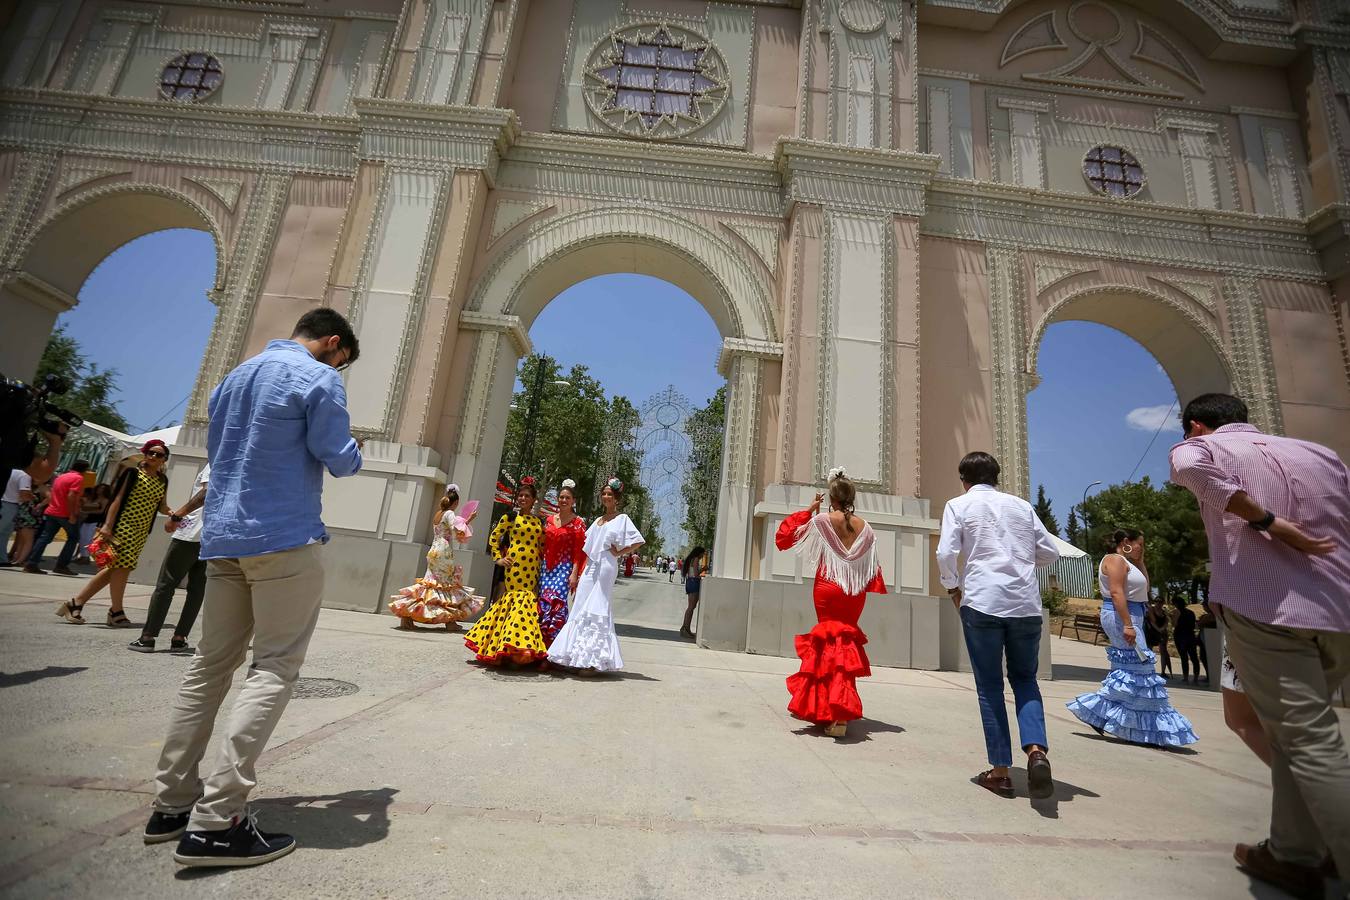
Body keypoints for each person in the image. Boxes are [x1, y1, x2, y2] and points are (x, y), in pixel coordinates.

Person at [144, 308, 363, 868]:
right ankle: (218, 821)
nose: (340, 367)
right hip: (283, 538)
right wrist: (354, 444)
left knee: (209, 666)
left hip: (223, 538)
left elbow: (221, 455)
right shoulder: (319, 378)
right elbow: (340, 460)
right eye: (342, 359)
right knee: (273, 668)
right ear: (332, 342)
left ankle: (171, 803)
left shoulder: (235, 377)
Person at [1169, 392, 1349, 896]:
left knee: (1313, 744)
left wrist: (1267, 521)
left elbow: (1191, 467)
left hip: (1269, 609)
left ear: (1196, 425)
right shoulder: (1320, 454)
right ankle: (1292, 854)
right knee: (1294, 734)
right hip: (1340, 611)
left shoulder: (1201, 448)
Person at [936, 451, 1059, 800]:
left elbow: (946, 553)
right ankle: (1036, 751)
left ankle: (1001, 772)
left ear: (964, 479)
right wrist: (1018, 559)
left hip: (982, 602)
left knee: (990, 687)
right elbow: (1050, 552)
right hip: (1025, 605)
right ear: (996, 478)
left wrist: (952, 587)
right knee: (1025, 680)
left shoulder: (958, 505)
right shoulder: (1022, 507)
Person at [776, 470, 885, 738]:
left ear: (831, 498)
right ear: (851, 498)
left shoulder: (823, 521)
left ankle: (837, 714)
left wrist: (809, 510)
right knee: (844, 644)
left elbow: (786, 537)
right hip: (854, 591)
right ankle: (833, 708)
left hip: (828, 586)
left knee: (828, 645)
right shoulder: (866, 528)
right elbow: (872, 568)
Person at [1067, 529, 1197, 747]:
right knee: (1141, 668)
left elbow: (1144, 589)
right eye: (1140, 545)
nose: (1141, 548)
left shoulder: (1129, 562)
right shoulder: (1115, 560)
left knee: (1129, 671)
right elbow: (1116, 592)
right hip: (1122, 615)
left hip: (1131, 614)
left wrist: (1141, 560)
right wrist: (1128, 624)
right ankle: (1133, 724)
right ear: (1126, 542)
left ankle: (1104, 716)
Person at [55, 445, 171, 626]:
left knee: (114, 569)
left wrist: (173, 513)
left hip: (141, 531)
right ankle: (116, 611)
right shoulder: (133, 473)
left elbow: (162, 505)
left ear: (164, 459)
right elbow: (117, 499)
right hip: (124, 526)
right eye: (151, 452)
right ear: (145, 454)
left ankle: (76, 603)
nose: (154, 456)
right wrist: (107, 525)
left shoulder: (162, 479)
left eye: (159, 454)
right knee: (123, 566)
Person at [548, 478, 644, 674]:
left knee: (597, 607)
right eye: (604, 494)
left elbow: (638, 541)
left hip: (606, 564)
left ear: (616, 498)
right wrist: (578, 571)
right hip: (591, 565)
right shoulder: (599, 520)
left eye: (610, 494)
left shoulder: (622, 518)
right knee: (580, 605)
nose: (606, 497)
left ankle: (592, 662)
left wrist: (620, 552)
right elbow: (587, 545)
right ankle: (575, 657)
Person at [128, 464, 212, 654]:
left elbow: (206, 493)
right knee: (197, 590)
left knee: (165, 585)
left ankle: (148, 637)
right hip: (212, 537)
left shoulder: (215, 461)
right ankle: (180, 638)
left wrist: (177, 515)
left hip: (189, 535)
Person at [464, 479, 549, 666]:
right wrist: (498, 559)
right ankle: (508, 648)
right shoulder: (509, 517)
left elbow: (543, 545)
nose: (523, 498)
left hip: (532, 569)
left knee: (526, 604)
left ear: (534, 499)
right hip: (514, 568)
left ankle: (518, 649)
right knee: (517, 602)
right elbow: (494, 538)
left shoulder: (538, 521)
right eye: (520, 495)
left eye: (527, 496)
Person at [389, 485, 481, 631]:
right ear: (456, 502)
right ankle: (450, 621)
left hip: (433, 550)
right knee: (446, 584)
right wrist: (469, 519)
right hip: (443, 551)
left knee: (430, 583)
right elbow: (456, 532)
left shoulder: (438, 514)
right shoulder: (449, 513)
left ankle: (408, 615)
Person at [537, 479, 586, 647]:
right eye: (561, 497)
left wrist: (575, 573)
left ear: (573, 501)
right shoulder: (549, 520)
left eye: (567, 498)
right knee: (543, 602)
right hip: (546, 568)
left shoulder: (578, 523)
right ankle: (541, 645)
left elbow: (579, 551)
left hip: (564, 568)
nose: (564, 500)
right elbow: (541, 543)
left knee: (557, 602)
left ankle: (555, 645)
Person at [23, 459, 90, 576]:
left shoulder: (61, 477)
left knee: (45, 537)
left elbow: (55, 493)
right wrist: (72, 514)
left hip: (52, 511)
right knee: (73, 538)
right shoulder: (78, 478)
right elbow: (71, 496)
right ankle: (61, 565)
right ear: (85, 470)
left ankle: (31, 563)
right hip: (65, 514)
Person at [0, 465, 35, 564]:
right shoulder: (25, 475)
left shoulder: (9, 471)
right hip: (11, 505)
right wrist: (33, 497)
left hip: (4, 502)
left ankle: (2, 559)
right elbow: (24, 493)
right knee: (4, 534)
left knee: (4, 534)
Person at [10, 479, 48, 565]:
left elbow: (51, 497)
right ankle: (17, 558)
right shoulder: (29, 485)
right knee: (22, 539)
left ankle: (20, 560)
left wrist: (40, 505)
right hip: (24, 514)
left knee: (28, 540)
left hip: (30, 516)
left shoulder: (42, 487)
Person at [76, 483, 112, 564]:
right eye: (99, 488)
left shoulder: (105, 500)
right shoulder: (93, 499)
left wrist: (88, 511)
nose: (100, 490)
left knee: (88, 539)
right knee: (82, 538)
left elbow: (102, 511)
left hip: (96, 521)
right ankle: (83, 556)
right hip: (88, 520)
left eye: (102, 489)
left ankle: (86, 557)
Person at [1171, 595, 1201, 685]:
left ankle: (1186, 677)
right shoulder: (1191, 612)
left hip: (1180, 636)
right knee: (1194, 658)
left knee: (1184, 658)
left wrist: (1173, 616)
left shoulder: (1177, 612)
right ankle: (1195, 678)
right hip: (1190, 636)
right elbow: (1193, 625)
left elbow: (1174, 624)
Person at [680, 546, 707, 640]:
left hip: (689, 582)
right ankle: (686, 628)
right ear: (699, 553)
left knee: (691, 607)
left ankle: (685, 628)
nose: (702, 556)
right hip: (694, 582)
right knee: (691, 607)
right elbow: (696, 574)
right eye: (702, 554)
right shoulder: (695, 559)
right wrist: (703, 569)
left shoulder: (690, 559)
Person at [1144, 595, 1172, 678]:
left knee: (1163, 652)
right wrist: (1158, 629)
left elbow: (1166, 621)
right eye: (1157, 601)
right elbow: (1152, 621)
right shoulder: (1151, 610)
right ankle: (1148, 669)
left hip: (1162, 632)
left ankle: (1163, 671)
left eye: (1160, 602)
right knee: (1149, 650)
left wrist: (1162, 629)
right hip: (1151, 632)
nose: (1158, 603)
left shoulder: (1164, 612)